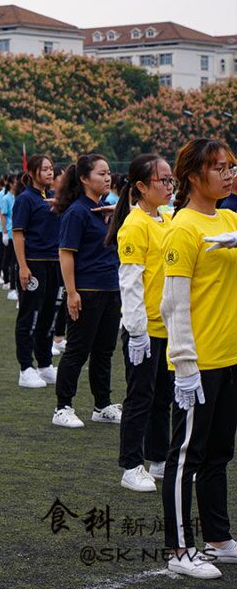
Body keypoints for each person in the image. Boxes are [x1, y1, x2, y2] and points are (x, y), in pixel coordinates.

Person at [159, 138, 237, 579]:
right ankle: (178, 548)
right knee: (186, 456)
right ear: (192, 176)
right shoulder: (183, 228)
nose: (228, 175)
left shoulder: (229, 219)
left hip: (229, 356)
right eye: (219, 167)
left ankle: (218, 539)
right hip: (200, 362)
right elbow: (174, 303)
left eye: (231, 167)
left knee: (219, 453)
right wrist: (185, 365)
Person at [105, 154, 175, 492]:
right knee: (140, 397)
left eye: (171, 179)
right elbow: (130, 282)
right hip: (143, 329)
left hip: (167, 326)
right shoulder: (135, 225)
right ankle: (132, 465)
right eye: (163, 180)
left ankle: (159, 458)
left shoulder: (166, 218)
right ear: (141, 187)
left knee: (163, 396)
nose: (170, 186)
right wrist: (136, 332)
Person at [52, 154, 123, 428]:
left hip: (110, 288)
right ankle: (62, 407)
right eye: (101, 174)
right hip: (87, 290)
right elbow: (66, 253)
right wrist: (72, 293)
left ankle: (102, 405)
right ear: (84, 178)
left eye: (108, 173)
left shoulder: (105, 208)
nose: (107, 178)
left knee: (104, 351)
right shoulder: (77, 211)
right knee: (77, 351)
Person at [12, 156, 61, 389]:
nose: (50, 173)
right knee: (30, 316)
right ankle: (25, 367)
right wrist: (23, 266)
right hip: (34, 263)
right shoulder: (25, 199)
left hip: (54, 263)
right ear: (32, 173)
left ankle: (44, 364)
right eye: (45, 169)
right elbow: (18, 233)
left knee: (49, 316)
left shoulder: (52, 197)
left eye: (51, 169)